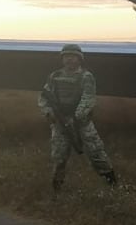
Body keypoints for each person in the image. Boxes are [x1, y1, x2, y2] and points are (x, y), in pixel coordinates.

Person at [38, 44, 116, 192]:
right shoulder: (54, 76)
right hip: (61, 122)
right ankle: (56, 188)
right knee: (58, 156)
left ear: (79, 59)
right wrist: (48, 112)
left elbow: (88, 98)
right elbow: (44, 97)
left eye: (73, 56)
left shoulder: (86, 77)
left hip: (81, 122)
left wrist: (77, 116)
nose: (69, 59)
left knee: (96, 152)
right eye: (66, 56)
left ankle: (111, 183)